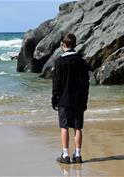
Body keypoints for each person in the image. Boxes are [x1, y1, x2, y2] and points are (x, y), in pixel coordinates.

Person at [52, 33, 89, 164]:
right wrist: (85, 99)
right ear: (75, 45)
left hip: (64, 99)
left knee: (64, 127)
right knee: (78, 127)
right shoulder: (82, 60)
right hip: (79, 99)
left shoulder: (59, 61)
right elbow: (86, 83)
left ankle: (66, 155)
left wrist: (54, 98)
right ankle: (78, 155)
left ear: (63, 45)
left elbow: (56, 83)